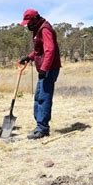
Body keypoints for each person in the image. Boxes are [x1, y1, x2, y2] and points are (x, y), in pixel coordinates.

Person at [19, 9, 61, 139]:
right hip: (44, 69)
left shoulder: (44, 29)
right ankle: (40, 126)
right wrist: (29, 57)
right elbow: (39, 51)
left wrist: (44, 69)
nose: (27, 25)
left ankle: (42, 128)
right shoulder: (37, 30)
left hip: (49, 69)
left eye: (28, 22)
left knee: (43, 97)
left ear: (35, 19)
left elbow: (50, 50)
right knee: (38, 97)